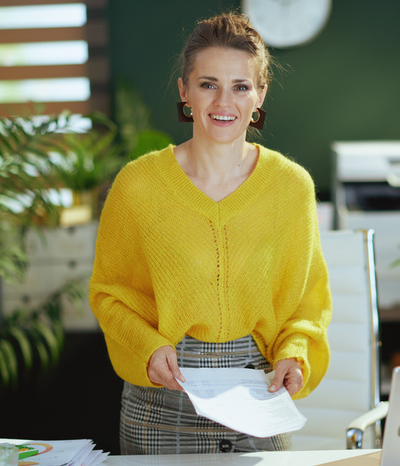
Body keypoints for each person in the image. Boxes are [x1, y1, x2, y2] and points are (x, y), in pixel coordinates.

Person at [88, 12, 332, 455]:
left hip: (260, 404)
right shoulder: (136, 185)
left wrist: (294, 354)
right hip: (161, 406)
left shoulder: (292, 187)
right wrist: (147, 346)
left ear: (260, 94)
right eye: (208, 84)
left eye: (241, 86)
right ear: (185, 90)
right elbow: (109, 294)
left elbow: (306, 304)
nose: (225, 101)